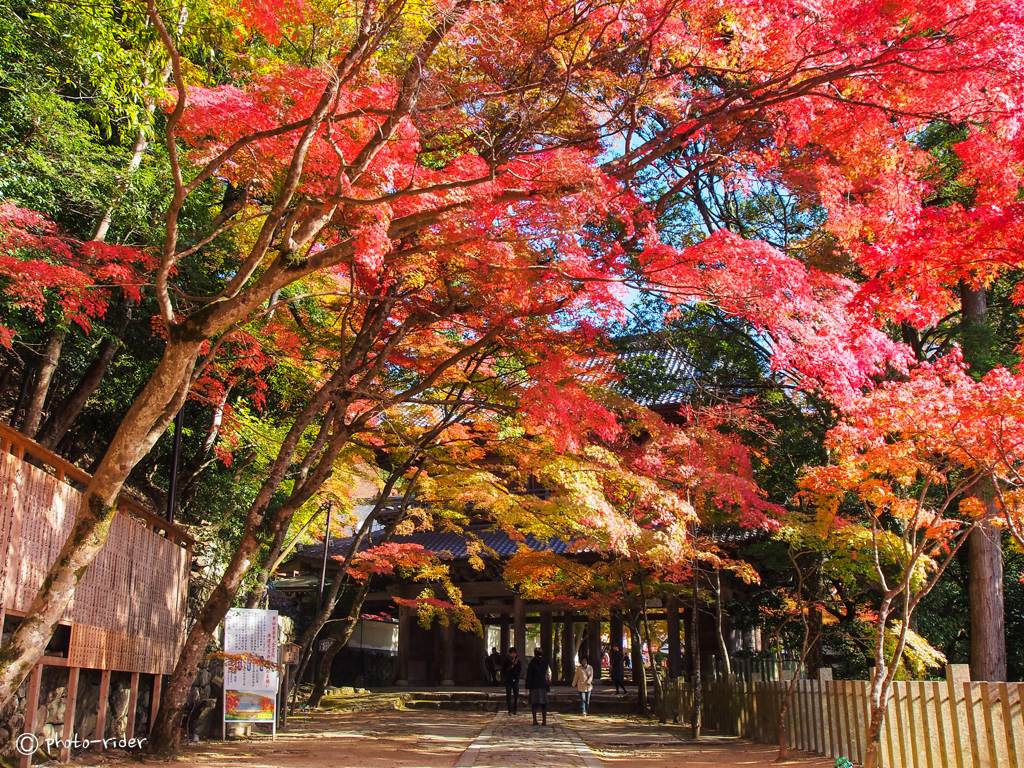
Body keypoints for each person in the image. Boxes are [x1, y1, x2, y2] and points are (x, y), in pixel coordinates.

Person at [525, 647, 551, 726]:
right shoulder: (545, 662)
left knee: (534, 704)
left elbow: (529, 675)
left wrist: (527, 687)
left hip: (534, 685)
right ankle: (544, 721)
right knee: (543, 705)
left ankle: (535, 720)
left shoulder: (532, 663)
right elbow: (548, 673)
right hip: (542, 685)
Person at [501, 647, 522, 715]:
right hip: (508, 680)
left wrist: (517, 676)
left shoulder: (518, 662)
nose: (514, 655)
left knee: (516, 696)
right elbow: (503, 670)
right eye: (512, 653)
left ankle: (515, 709)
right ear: (509, 654)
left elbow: (519, 670)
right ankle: (510, 710)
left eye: (514, 653)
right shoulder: (506, 662)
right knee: (509, 696)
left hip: (515, 680)